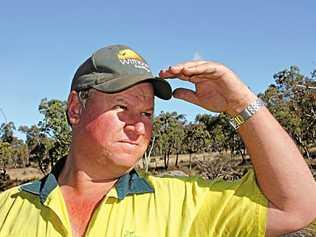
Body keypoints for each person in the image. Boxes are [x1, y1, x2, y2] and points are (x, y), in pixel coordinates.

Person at [0, 45, 315, 237]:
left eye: (148, 114)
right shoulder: (8, 209)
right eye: (122, 107)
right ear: (75, 108)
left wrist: (239, 103)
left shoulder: (184, 204)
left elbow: (297, 207)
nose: (138, 126)